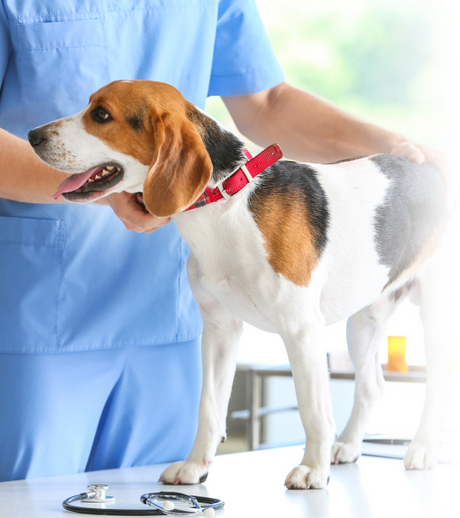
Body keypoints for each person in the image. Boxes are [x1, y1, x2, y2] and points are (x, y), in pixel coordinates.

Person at [0, 0, 452, 482]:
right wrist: (106, 193)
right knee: (29, 500)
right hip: (45, 321)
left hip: (170, 328)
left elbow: (268, 102)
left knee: (164, 501)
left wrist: (398, 148)